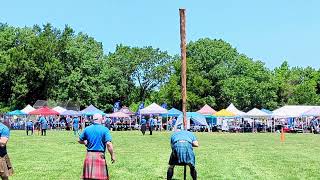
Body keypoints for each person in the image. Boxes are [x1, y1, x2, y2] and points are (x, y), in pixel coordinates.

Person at [78, 114, 116, 180]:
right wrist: (112, 155)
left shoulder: (87, 129)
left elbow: (79, 140)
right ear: (100, 119)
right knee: (101, 178)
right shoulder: (105, 129)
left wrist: (84, 142)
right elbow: (109, 143)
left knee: (88, 178)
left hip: (89, 155)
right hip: (100, 156)